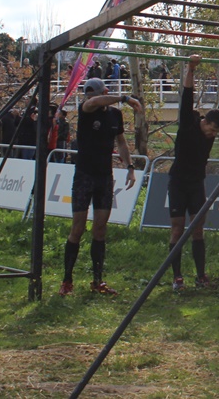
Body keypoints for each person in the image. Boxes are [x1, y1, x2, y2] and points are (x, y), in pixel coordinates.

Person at [166, 55, 219, 293]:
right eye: (212, 130)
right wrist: (191, 68)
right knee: (177, 229)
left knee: (198, 229)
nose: (213, 135)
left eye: (216, 133)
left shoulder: (215, 120)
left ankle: (201, 275)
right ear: (205, 122)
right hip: (178, 181)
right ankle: (177, 277)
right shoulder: (187, 125)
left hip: (196, 183)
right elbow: (187, 95)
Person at [59, 78, 141, 296]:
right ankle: (67, 279)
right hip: (84, 175)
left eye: (94, 94)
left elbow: (121, 142)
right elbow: (95, 101)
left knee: (100, 229)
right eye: (88, 95)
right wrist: (125, 98)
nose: (90, 98)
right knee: (77, 228)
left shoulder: (114, 115)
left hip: (104, 176)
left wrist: (130, 166)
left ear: (104, 91)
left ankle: (97, 280)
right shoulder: (86, 108)